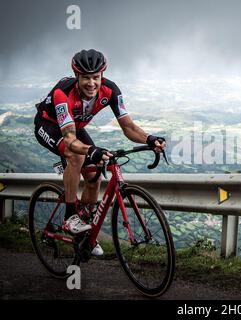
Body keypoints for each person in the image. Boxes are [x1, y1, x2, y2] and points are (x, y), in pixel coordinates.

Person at [34, 49, 165, 255]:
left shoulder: (111, 90)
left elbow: (128, 127)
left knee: (95, 175)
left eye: (96, 77)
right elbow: (69, 139)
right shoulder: (63, 93)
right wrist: (91, 150)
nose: (91, 83)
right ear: (77, 76)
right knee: (76, 155)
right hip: (48, 125)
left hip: (75, 127)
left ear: (102, 75)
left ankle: (86, 233)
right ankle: (70, 217)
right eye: (86, 77)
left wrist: (149, 138)